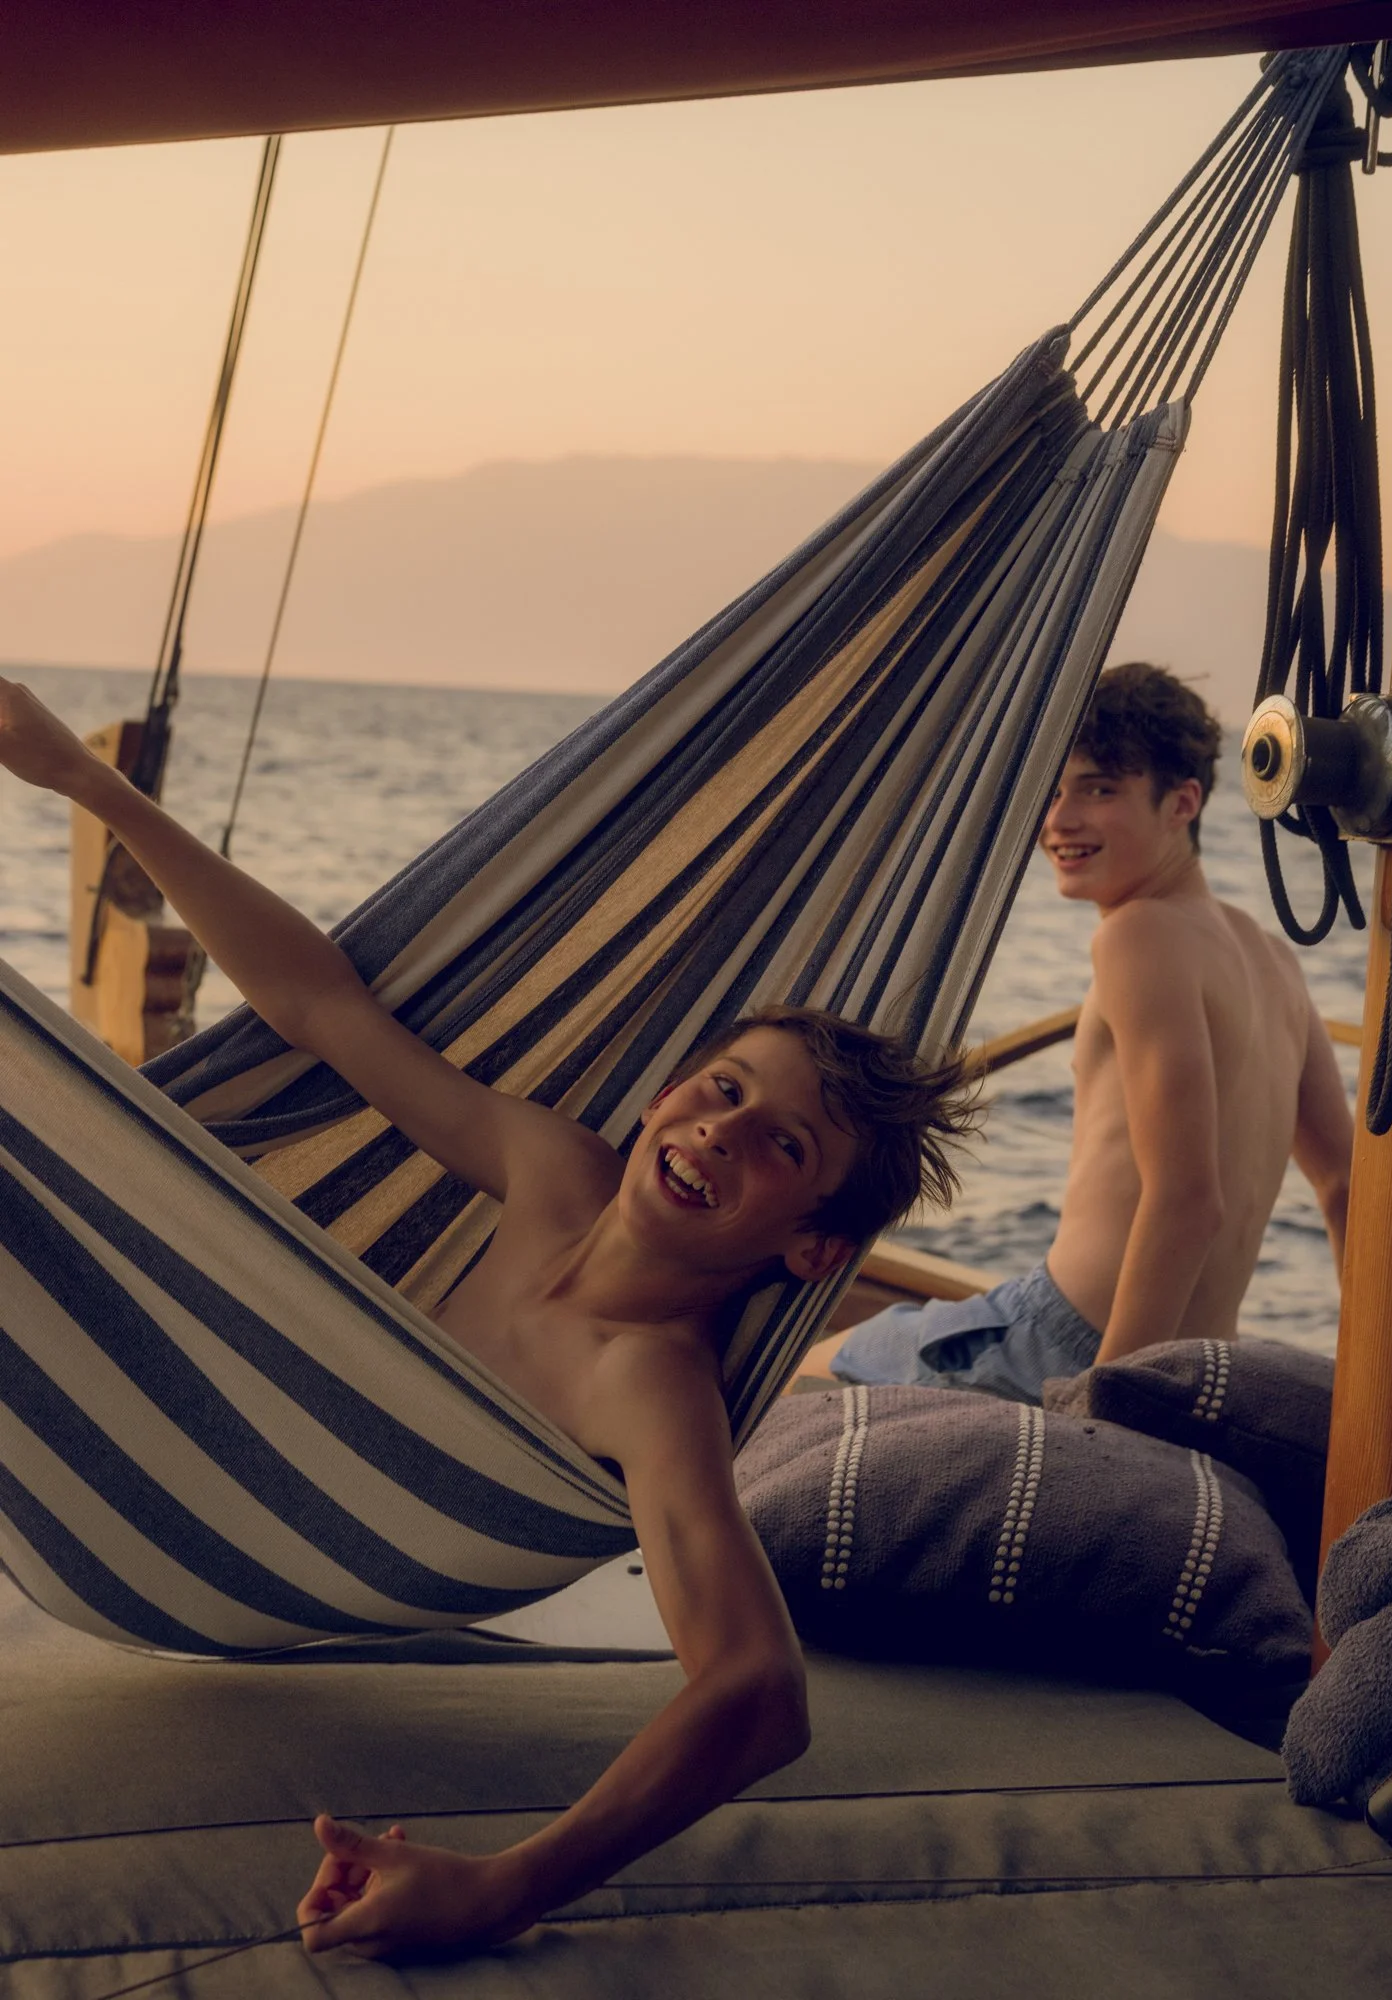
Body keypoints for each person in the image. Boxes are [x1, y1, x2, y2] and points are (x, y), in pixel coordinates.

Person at [0, 676, 976, 1963]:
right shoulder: (551, 1166)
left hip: (258, 1533)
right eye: (722, 1085)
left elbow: (759, 1690)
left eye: (778, 1141)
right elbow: (322, 1010)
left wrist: (505, 1884)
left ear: (812, 1245)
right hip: (179, 1424)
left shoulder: (650, 1387)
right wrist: (90, 782)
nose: (715, 1129)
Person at [814, 661, 1353, 1402]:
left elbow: (1188, 1198)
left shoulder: (1137, 936)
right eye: (1054, 788)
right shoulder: (1274, 960)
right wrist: (1371, 1381)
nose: (1060, 819)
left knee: (792, 1374)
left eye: (1099, 789)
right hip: (1204, 1358)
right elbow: (1343, 1183)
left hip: (1070, 1337)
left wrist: (1108, 1402)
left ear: (1182, 803)